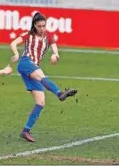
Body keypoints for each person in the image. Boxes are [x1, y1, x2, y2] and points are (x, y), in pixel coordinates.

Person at [10, 12, 77, 142]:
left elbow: (55, 51)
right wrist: (16, 53)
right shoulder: (28, 35)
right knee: (41, 76)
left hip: (33, 68)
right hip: (25, 63)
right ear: (34, 25)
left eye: (44, 26)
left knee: (40, 102)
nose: (42, 29)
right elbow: (13, 43)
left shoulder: (49, 38)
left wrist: (54, 56)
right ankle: (60, 94)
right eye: (39, 26)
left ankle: (25, 131)